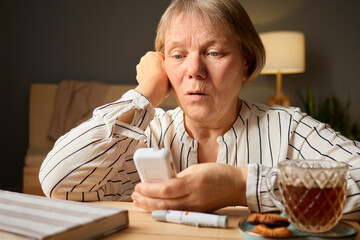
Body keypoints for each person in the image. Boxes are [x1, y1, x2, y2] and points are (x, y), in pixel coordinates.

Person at [39, 0, 360, 220]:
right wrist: (144, 94)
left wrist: (240, 185)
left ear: (246, 64)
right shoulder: (143, 136)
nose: (195, 70)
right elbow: (58, 182)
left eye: (215, 52)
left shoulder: (288, 129)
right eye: (177, 56)